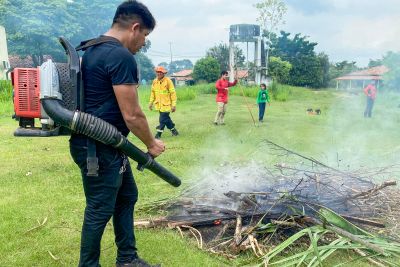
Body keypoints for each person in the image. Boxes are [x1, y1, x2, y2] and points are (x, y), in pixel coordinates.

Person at [69, 1, 164, 266]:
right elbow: (132, 114)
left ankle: (127, 259)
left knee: (127, 196)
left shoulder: (95, 49)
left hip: (107, 145)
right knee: (100, 208)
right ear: (135, 28)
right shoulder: (121, 56)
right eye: (145, 35)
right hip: (97, 147)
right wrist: (151, 143)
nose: (143, 42)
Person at [149, 66, 178, 139]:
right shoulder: (155, 81)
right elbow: (153, 93)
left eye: (160, 72)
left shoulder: (168, 81)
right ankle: (174, 131)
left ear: (163, 73)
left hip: (166, 105)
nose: (159, 73)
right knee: (166, 120)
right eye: (157, 72)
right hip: (159, 105)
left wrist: (173, 105)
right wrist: (151, 103)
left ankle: (158, 134)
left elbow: (173, 93)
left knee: (162, 120)